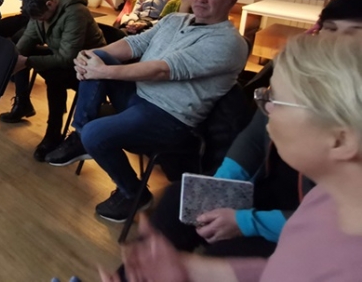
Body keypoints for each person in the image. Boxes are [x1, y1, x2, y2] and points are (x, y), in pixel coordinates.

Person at [100, 32, 362, 282]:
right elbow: (282, 270)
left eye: (278, 100)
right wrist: (191, 270)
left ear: (341, 140)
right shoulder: (325, 198)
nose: (266, 109)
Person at [45, 0, 248, 223]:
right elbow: (135, 44)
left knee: (95, 134)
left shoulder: (229, 43)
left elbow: (164, 69)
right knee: (99, 58)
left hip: (169, 117)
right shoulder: (175, 20)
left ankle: (134, 194)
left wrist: (103, 72)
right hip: (138, 95)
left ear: (232, 2)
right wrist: (89, 56)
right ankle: (79, 135)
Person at [0, 0, 106, 160]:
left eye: (41, 18)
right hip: (66, 57)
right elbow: (29, 38)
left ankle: (54, 133)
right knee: (24, 56)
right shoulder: (41, 8)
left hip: (89, 67)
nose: (39, 21)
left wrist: (26, 62)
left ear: (50, 4)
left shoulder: (76, 13)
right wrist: (12, 61)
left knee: (54, 77)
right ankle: (23, 103)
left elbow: (67, 58)